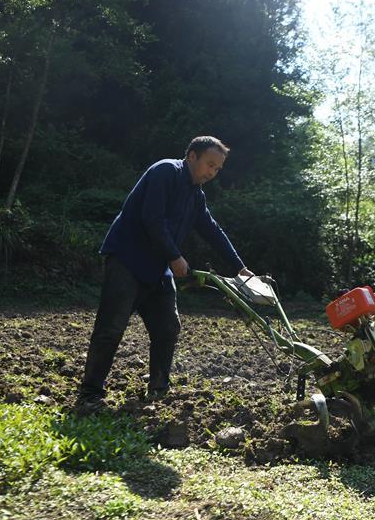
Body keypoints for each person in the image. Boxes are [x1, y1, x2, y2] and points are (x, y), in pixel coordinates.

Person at [76, 135, 252, 413]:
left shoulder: (196, 195)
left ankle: (158, 390)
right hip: (127, 260)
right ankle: (89, 395)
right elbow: (152, 218)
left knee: (167, 327)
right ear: (192, 156)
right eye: (209, 164)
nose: (212, 173)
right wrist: (174, 255)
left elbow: (212, 230)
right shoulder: (166, 171)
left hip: (157, 269)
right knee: (111, 328)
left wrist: (239, 267)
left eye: (217, 169)